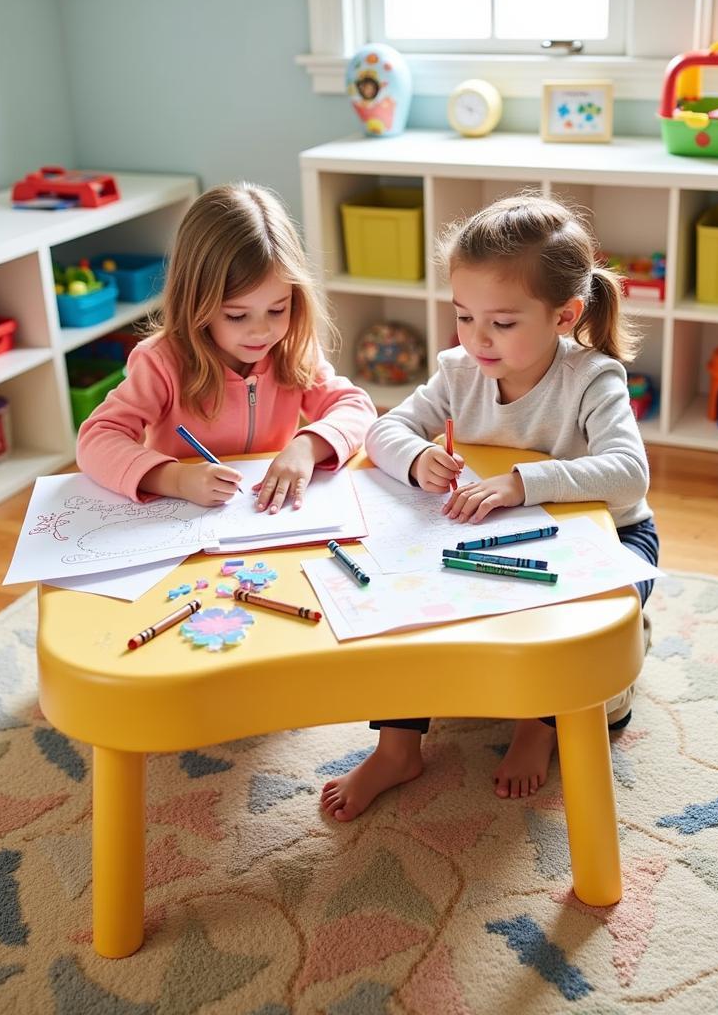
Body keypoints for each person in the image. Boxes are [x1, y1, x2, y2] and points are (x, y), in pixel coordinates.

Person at [320, 192, 658, 822]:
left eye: (502, 323)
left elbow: (629, 475)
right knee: (401, 602)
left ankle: (539, 725)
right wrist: (417, 459)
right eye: (463, 316)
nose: (477, 338)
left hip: (608, 537)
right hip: (498, 537)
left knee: (581, 650)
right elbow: (383, 430)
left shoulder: (593, 378)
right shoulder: (459, 369)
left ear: (564, 316)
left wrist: (521, 484)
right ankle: (397, 747)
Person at [77, 183, 376, 509]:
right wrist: (174, 479)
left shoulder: (291, 349)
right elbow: (96, 439)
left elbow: (356, 408)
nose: (262, 331)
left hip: (263, 516)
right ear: (196, 304)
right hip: (182, 517)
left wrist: (307, 446)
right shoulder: (161, 362)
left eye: (278, 309)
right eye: (237, 315)